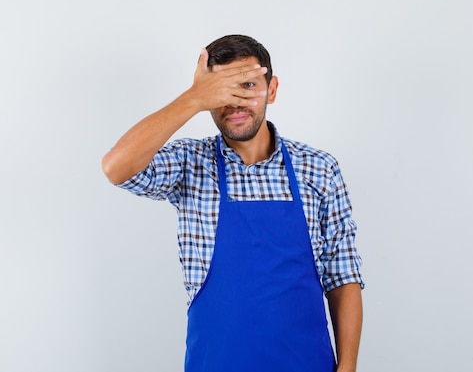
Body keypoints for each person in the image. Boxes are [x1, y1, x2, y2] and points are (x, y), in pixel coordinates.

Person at [102, 34, 364, 372]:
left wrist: (348, 368)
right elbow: (116, 168)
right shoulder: (190, 163)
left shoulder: (319, 168)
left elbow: (342, 276)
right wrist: (192, 98)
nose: (235, 101)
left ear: (272, 89)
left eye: (248, 85)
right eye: (222, 90)